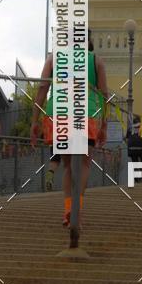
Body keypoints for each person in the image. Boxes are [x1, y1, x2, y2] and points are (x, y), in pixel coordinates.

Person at [30, 29, 108, 246]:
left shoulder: (54, 57)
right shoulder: (96, 61)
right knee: (82, 164)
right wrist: (104, 124)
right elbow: (104, 94)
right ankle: (77, 213)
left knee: (66, 164)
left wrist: (34, 121)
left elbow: (43, 88)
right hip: (86, 114)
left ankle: (68, 211)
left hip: (59, 114)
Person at [127, 115, 142, 179]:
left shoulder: (130, 128)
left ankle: (136, 178)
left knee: (134, 163)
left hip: (131, 148)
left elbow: (127, 139)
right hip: (141, 147)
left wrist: (129, 147)